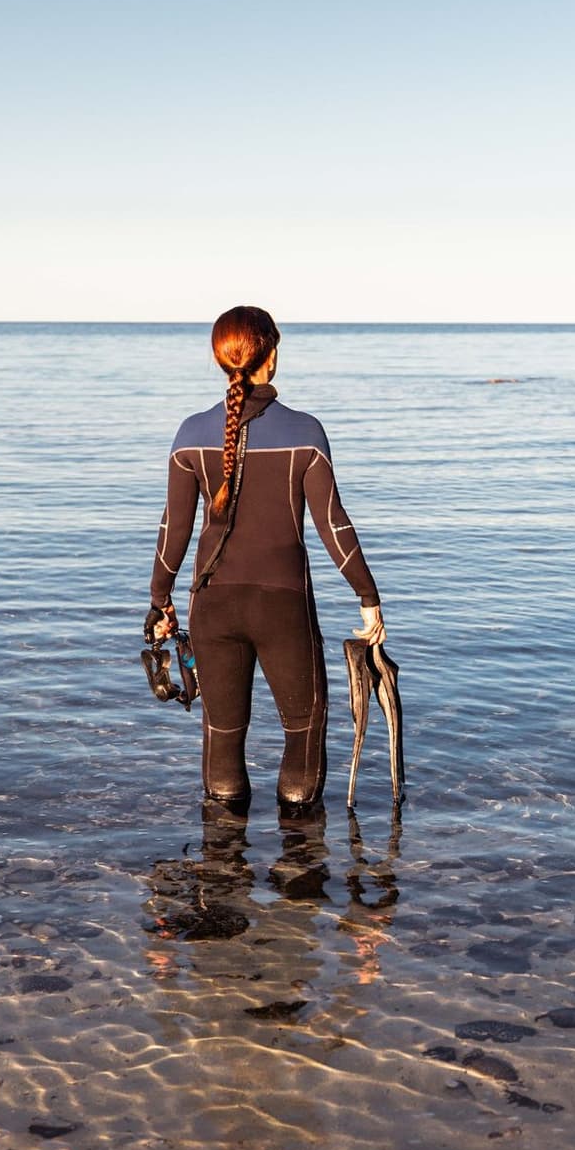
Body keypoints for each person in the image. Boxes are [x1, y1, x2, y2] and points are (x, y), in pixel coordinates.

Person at [148, 306, 385, 812]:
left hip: (211, 607)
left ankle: (220, 873)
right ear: (270, 356)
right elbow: (333, 525)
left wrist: (159, 600)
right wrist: (368, 599)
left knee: (222, 736)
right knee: (304, 731)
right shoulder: (305, 432)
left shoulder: (189, 434)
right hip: (283, 609)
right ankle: (299, 872)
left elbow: (174, 528)